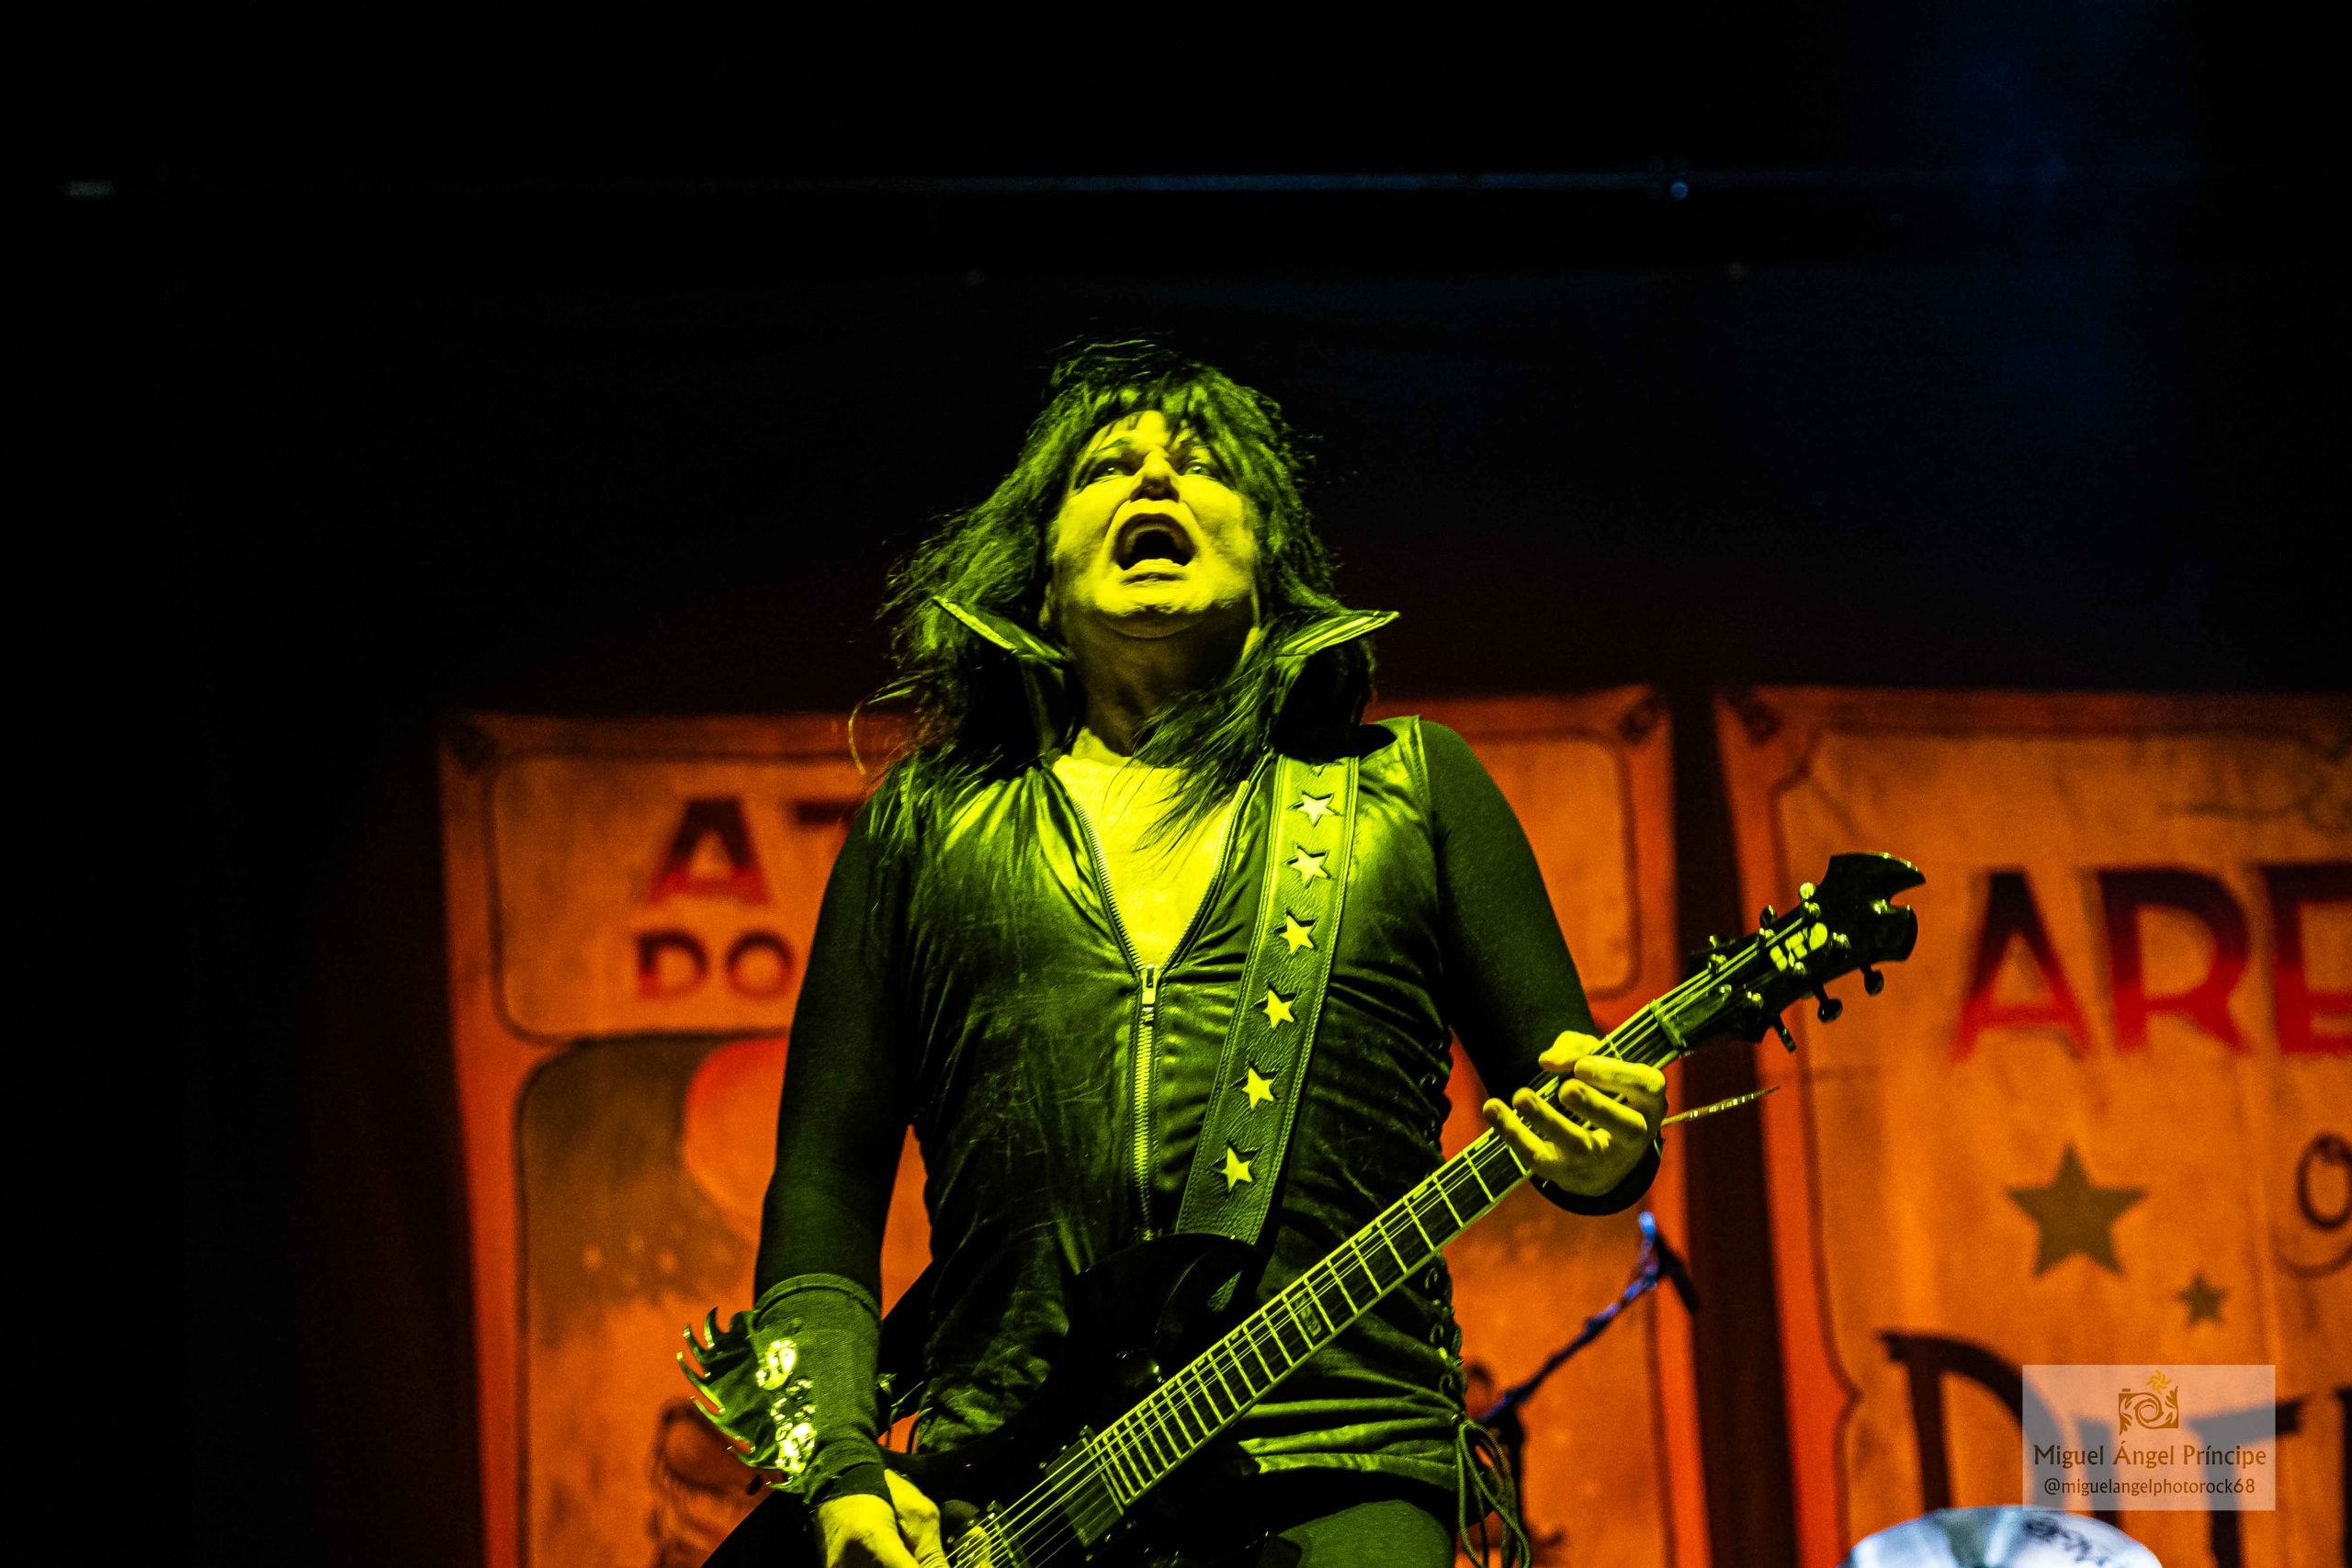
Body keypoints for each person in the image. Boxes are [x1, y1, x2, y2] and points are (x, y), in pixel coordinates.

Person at [718, 342, 1666, 1568]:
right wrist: (840, 1471)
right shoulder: (923, 825)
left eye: (1204, 464)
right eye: (1105, 467)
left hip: (1340, 1460)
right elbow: (823, 1187)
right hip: (1002, 1500)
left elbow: (1581, 1123)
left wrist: (1609, 1147)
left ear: (1270, 560)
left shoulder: (1411, 789)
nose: (1155, 478)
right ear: (1041, 571)